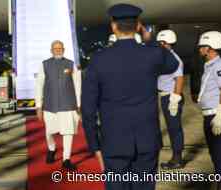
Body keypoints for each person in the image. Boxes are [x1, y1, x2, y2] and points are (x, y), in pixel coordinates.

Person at [81, 4, 179, 190]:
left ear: (113, 26)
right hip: (147, 141)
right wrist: (148, 38)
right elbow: (173, 64)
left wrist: (95, 146)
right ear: (137, 26)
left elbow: (88, 109)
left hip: (114, 142)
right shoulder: (152, 54)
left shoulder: (99, 60)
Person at [35, 40, 81, 170]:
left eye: (60, 48)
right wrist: (39, 106)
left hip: (68, 104)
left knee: (68, 132)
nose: (58, 50)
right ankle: (52, 148)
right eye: (55, 48)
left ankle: (66, 159)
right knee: (49, 132)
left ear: (64, 49)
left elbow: (78, 84)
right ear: (51, 50)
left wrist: (79, 104)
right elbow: (39, 85)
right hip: (50, 105)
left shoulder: (71, 64)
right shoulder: (44, 65)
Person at [197, 31, 221, 190]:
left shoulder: (220, 67)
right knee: (218, 153)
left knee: (220, 155)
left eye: (202, 46)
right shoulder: (210, 65)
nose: (199, 49)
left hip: (217, 115)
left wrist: (220, 117)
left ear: (210, 48)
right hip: (210, 115)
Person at [156, 29, 185, 170]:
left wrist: (174, 99)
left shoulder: (175, 59)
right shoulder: (162, 57)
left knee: (174, 128)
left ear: (170, 43)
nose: (161, 44)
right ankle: (176, 157)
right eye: (159, 42)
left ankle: (177, 159)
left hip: (171, 96)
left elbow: (179, 79)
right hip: (164, 96)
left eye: (164, 42)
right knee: (171, 127)